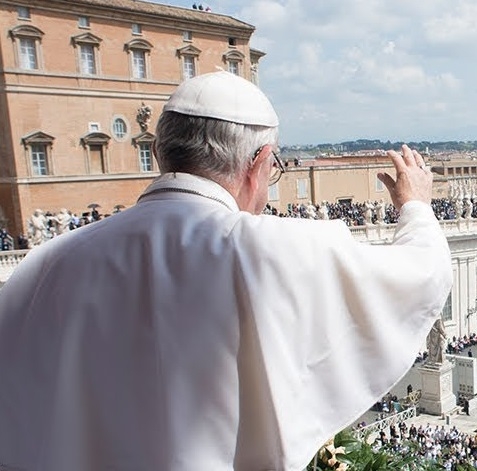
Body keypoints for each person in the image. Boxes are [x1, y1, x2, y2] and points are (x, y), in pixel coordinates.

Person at [0, 71, 452, 471]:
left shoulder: (45, 266)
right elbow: (420, 272)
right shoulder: (268, 249)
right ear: (258, 164)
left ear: (160, 152)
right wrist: (414, 205)